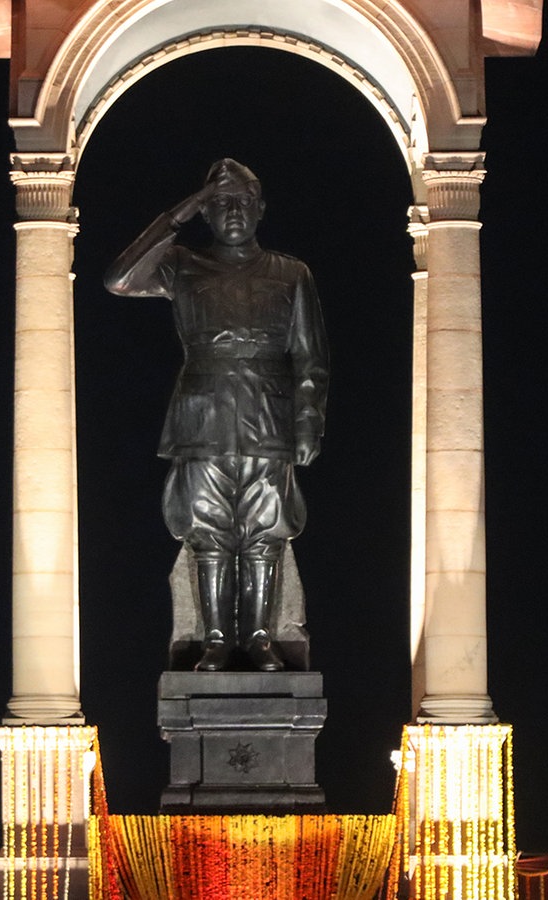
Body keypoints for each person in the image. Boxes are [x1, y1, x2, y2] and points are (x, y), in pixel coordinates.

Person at [104, 159, 329, 672]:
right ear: (207, 211)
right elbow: (119, 278)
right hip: (201, 418)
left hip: (268, 417)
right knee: (206, 533)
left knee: (265, 533)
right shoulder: (183, 266)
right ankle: (214, 641)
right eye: (222, 203)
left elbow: (310, 356)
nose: (233, 212)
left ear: (261, 209)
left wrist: (308, 421)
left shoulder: (291, 273)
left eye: (243, 202)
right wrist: (184, 207)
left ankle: (259, 637)